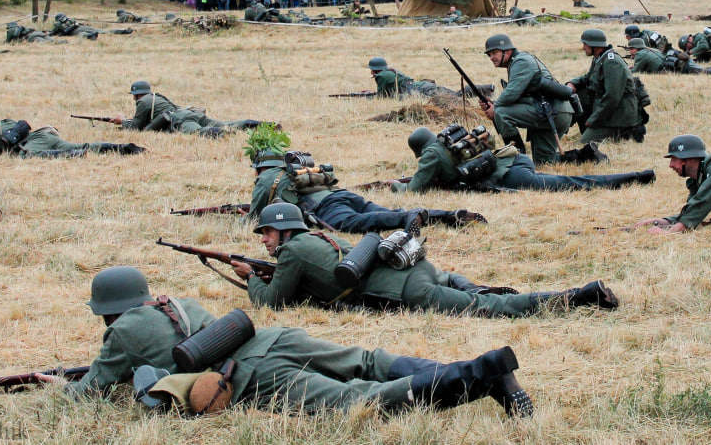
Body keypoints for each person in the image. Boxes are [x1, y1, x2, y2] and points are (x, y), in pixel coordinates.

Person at [41, 266, 534, 417]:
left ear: (107, 310)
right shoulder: (179, 303)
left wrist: (50, 383)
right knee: (366, 361)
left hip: (252, 375)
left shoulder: (122, 331)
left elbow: (89, 392)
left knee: (352, 402)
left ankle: (479, 372)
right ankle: (476, 371)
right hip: (273, 338)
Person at [232, 204, 619, 318]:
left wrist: (251, 277)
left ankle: (578, 297)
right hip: (416, 267)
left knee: (491, 309)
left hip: (407, 290)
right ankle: (476, 288)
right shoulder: (319, 237)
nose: (263, 240)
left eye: (266, 233)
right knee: (463, 287)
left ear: (284, 232)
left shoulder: (292, 252)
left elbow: (273, 303)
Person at [248, 150, 486, 233]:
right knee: (382, 214)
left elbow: (257, 214)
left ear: (261, 167)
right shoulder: (296, 169)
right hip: (343, 196)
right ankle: (445, 215)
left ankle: (408, 217)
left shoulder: (268, 177)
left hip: (326, 208)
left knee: (357, 224)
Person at [397, 125, 651, 193]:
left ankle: (636, 177)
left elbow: (415, 190)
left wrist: (398, 186)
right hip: (513, 160)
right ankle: (636, 176)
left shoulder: (431, 155)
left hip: (510, 174)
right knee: (566, 182)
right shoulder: (447, 143)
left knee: (571, 184)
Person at [479, 34, 574, 164]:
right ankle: (587, 156)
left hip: (552, 112)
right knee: (544, 163)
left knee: (501, 113)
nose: (491, 58)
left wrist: (495, 108)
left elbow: (511, 94)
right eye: (489, 55)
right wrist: (493, 104)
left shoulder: (521, 62)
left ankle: (517, 158)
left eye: (494, 53)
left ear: (507, 51)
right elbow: (519, 96)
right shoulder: (517, 61)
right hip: (553, 112)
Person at [0, 107, 144, 157]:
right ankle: (123, 148)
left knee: (28, 157)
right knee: (82, 144)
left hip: (35, 144)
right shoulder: (2, 123)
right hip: (44, 133)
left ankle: (72, 156)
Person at [567, 29, 645, 144]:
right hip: (609, 110)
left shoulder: (611, 62)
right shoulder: (600, 58)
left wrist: (594, 119)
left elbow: (612, 97)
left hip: (619, 114)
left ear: (594, 46)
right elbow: (589, 78)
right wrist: (572, 83)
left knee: (584, 143)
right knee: (579, 93)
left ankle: (619, 133)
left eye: (585, 44)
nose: (583, 47)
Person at [117, 80, 263, 137]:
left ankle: (223, 134)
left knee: (199, 133)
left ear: (136, 95)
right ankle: (256, 125)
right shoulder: (157, 96)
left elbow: (136, 127)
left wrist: (122, 122)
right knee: (227, 124)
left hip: (181, 120)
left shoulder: (143, 102)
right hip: (190, 113)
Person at [367, 57, 460, 99]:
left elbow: (381, 97)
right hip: (422, 86)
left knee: (451, 98)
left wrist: (368, 97)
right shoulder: (390, 71)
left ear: (375, 69)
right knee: (457, 95)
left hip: (419, 91)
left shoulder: (381, 76)